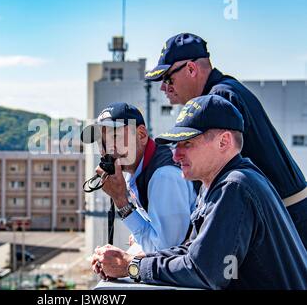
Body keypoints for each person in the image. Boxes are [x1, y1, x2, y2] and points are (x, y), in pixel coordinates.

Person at [91, 95, 307, 289]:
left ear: (224, 142)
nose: (176, 155)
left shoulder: (234, 186)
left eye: (187, 143)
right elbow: (189, 252)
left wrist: (132, 266)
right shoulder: (220, 183)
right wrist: (127, 261)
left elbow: (205, 271)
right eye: (176, 145)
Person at [145, 33, 307, 248]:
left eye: (168, 79)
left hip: (287, 220)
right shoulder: (227, 88)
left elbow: (213, 174)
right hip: (288, 214)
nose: (164, 88)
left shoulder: (218, 98)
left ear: (191, 69)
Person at [81, 102, 196, 253]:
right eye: (101, 141)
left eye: (114, 136)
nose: (106, 149)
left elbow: (165, 251)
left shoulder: (163, 176)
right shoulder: (134, 170)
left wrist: (120, 200)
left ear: (141, 135)